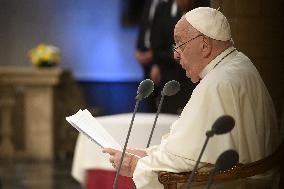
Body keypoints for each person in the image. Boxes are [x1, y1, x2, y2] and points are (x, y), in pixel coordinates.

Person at [103, 7, 280, 189]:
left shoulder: (217, 83)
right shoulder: (240, 63)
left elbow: (186, 159)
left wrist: (135, 165)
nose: (175, 55)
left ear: (204, 45)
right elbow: (192, 150)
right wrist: (147, 154)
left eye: (180, 44)